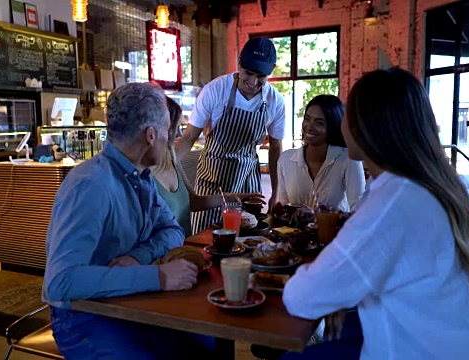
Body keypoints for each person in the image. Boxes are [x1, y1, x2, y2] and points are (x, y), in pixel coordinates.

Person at [280, 68, 469, 359]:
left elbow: (302, 298)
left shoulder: (392, 203)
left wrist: (328, 287)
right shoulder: (435, 183)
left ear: (369, 127)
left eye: (349, 111)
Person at [42, 82, 214, 360]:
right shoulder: (90, 185)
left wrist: (137, 257)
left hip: (131, 303)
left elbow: (172, 230)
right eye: (168, 130)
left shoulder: (139, 175)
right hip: (83, 319)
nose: (171, 138)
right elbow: (60, 282)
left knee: (207, 343)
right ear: (151, 135)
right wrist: (157, 276)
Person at [175, 37, 285, 234]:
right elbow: (189, 137)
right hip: (212, 180)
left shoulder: (275, 101)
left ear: (271, 70)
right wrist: (167, 165)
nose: (252, 82)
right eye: (248, 73)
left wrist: (276, 193)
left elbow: (276, 148)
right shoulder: (216, 90)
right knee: (206, 238)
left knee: (248, 236)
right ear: (239, 64)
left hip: (247, 180)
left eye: (260, 76)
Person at [151, 97, 263, 236]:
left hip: (184, 250)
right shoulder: (142, 174)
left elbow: (194, 201)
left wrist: (234, 197)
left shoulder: (172, 158)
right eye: (176, 128)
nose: (179, 134)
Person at [275, 95, 365, 212]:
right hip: (294, 230)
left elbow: (359, 210)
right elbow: (283, 207)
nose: (309, 127)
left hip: (334, 230)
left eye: (319, 123)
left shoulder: (348, 160)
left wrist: (321, 216)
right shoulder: (286, 159)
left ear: (333, 127)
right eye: (307, 119)